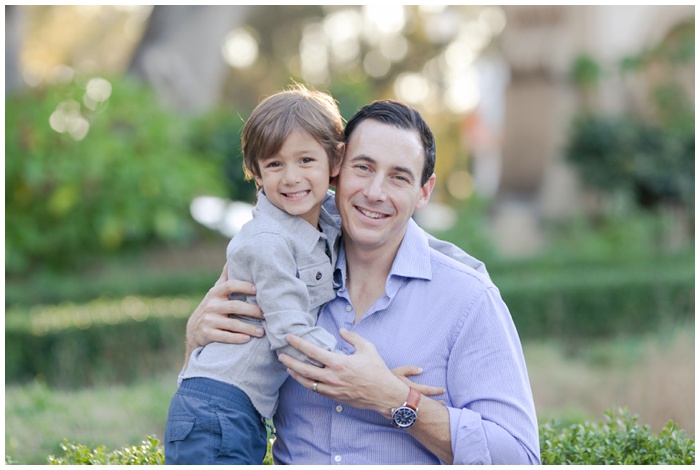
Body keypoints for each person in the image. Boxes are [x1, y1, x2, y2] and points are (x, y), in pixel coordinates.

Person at [184, 99, 541, 464]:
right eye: (363, 167)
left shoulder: (468, 299)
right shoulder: (285, 264)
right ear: (337, 169)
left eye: (399, 177)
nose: (375, 192)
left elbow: (519, 458)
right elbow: (211, 402)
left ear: (424, 191)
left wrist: (396, 399)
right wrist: (195, 339)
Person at [164, 85, 346, 464]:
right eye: (275, 164)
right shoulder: (267, 243)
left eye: (306, 160)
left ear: (335, 161)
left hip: (237, 413)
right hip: (217, 411)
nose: (292, 177)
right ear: (256, 173)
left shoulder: (326, 217)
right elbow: (291, 336)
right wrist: (364, 374)